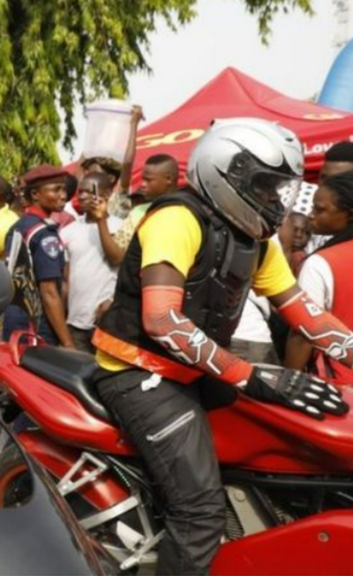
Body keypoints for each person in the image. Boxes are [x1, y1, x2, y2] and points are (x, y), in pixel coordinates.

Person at [91, 118, 352, 575]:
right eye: (266, 187)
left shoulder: (255, 239)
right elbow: (162, 319)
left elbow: (304, 312)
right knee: (199, 514)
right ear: (229, 173)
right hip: (140, 374)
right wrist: (253, 376)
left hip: (196, 372)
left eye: (280, 190)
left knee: (289, 452)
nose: (275, 201)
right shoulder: (177, 218)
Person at [286, 171, 353, 382]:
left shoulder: (320, 264)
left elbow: (303, 333)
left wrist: (290, 384)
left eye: (319, 209)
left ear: (349, 214)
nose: (311, 214)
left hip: (339, 382)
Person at [3, 165, 73, 348]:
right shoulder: (43, 234)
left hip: (14, 318)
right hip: (34, 325)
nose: (63, 195)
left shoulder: (20, 225)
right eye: (56, 189)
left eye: (64, 189)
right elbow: (49, 292)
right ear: (35, 194)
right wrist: (68, 343)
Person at [60, 173, 121, 352]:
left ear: (107, 194)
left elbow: (117, 258)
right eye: (80, 191)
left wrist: (101, 220)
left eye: (89, 191)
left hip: (107, 324)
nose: (83, 196)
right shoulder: (68, 231)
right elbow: (65, 277)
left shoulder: (122, 226)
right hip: (74, 324)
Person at [96, 153, 179, 266]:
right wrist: (101, 220)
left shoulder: (190, 210)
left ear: (168, 179)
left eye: (148, 180)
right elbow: (117, 257)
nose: (143, 185)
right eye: (143, 179)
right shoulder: (138, 213)